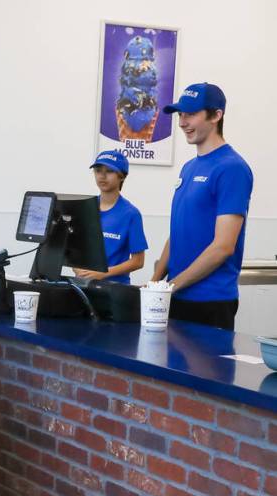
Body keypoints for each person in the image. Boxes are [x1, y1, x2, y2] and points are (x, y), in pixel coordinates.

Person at [152, 83, 253, 330]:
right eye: (180, 115)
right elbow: (178, 234)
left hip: (210, 302)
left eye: (191, 114)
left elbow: (223, 247)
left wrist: (171, 285)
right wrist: (155, 284)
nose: (183, 122)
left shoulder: (232, 168)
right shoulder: (189, 168)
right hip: (176, 296)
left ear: (216, 115)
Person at [74, 150, 147, 284]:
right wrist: (78, 269)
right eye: (98, 170)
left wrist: (103, 273)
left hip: (116, 290)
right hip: (84, 286)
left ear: (122, 176)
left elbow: (138, 261)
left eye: (109, 171)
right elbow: (74, 249)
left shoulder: (131, 214)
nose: (102, 176)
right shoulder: (85, 208)